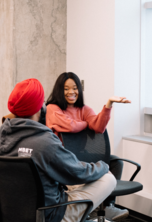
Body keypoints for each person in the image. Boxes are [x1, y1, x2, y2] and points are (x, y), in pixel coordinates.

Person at [0, 78, 117, 222]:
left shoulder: (2, 133)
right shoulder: (45, 141)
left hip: (11, 211)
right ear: (40, 108)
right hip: (50, 215)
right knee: (108, 179)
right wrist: (103, 166)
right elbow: (78, 172)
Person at [45, 72, 131, 221]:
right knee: (98, 170)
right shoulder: (53, 108)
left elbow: (98, 126)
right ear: (59, 90)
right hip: (64, 157)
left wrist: (109, 104)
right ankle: (91, 208)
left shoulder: (83, 109)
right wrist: (86, 124)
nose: (71, 92)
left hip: (81, 155)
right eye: (66, 89)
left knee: (115, 162)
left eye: (75, 88)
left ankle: (107, 205)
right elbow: (69, 125)